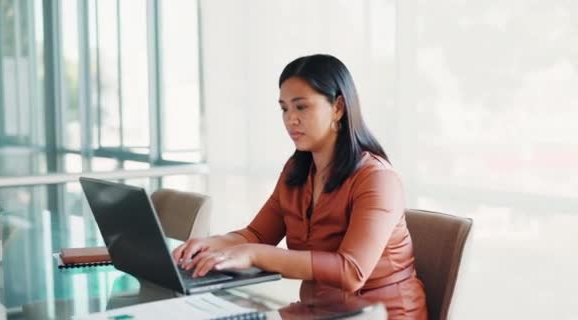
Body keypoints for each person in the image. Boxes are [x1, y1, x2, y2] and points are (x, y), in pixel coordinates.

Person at [173, 54, 427, 319]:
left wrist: (253, 255)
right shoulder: (296, 171)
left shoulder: (377, 178)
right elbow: (257, 235)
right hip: (320, 311)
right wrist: (212, 245)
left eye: (301, 107)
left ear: (338, 107)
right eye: (284, 108)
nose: (290, 119)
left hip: (379, 314)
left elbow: (351, 271)